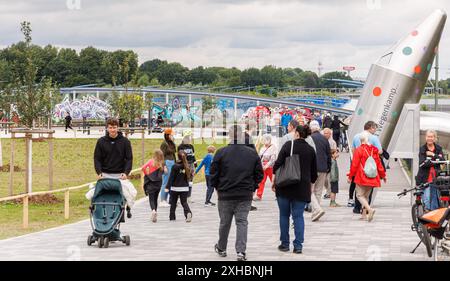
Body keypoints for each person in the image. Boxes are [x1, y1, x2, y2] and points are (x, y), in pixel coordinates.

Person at [210, 124, 264, 261]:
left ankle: (222, 248)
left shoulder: (221, 152)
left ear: (229, 135)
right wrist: (253, 187)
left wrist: (217, 188)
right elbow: (259, 174)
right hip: (245, 194)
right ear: (241, 136)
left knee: (224, 222)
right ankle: (241, 251)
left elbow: (213, 174)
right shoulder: (252, 153)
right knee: (242, 222)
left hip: (225, 193)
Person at [273, 125, 317, 254]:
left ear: (297, 133)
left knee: (284, 215)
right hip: (302, 188)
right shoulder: (310, 150)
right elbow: (314, 173)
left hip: (285, 186)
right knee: (298, 216)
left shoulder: (288, 145)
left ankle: (284, 244)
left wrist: (275, 179)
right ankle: (298, 245)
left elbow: (277, 164)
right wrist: (310, 183)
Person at [92, 117, 137, 218]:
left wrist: (126, 173)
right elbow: (97, 158)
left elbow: (129, 158)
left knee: (131, 193)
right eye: (110, 127)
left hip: (120, 176)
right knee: (93, 195)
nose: (112, 130)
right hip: (105, 175)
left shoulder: (125, 142)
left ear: (118, 128)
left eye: (114, 127)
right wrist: (99, 172)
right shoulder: (101, 141)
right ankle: (98, 215)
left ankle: (127, 208)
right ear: (107, 128)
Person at [347, 131, 386, 222]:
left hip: (362, 176)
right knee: (366, 196)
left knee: (359, 195)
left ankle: (370, 209)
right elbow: (379, 164)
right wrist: (383, 175)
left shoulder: (359, 150)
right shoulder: (374, 150)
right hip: (372, 177)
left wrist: (350, 176)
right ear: (368, 140)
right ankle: (364, 215)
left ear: (361, 141)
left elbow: (354, 165)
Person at [416, 130, 444, 211]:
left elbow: (442, 160)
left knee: (436, 201)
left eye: (431, 137)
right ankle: (426, 218)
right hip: (425, 179)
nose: (429, 138)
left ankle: (433, 219)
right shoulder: (422, 149)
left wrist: (432, 155)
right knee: (427, 200)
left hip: (436, 179)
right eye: (428, 136)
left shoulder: (438, 148)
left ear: (434, 138)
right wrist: (436, 161)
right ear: (425, 137)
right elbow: (422, 163)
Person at [309, 120, 331, 222]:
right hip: (323, 168)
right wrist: (328, 167)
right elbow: (328, 154)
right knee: (318, 191)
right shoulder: (324, 139)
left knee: (309, 190)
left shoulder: (309, 138)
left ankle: (317, 210)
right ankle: (315, 212)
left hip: (312, 168)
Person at [165, 150, 193, 222]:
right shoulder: (188, 165)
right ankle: (188, 213)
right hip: (185, 188)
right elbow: (190, 176)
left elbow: (171, 177)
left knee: (173, 203)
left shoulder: (175, 166)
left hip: (175, 188)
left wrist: (167, 187)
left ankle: (172, 217)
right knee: (184, 202)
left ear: (178, 156)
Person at [142, 149, 166, 223]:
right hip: (158, 184)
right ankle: (155, 213)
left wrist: (148, 174)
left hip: (150, 184)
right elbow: (165, 172)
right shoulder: (162, 164)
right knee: (155, 199)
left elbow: (143, 168)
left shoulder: (150, 162)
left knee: (151, 199)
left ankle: (153, 211)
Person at [255, 134, 277, 200]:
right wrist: (261, 165)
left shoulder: (273, 147)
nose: (264, 141)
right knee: (261, 181)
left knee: (273, 181)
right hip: (263, 166)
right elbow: (260, 157)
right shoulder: (262, 148)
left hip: (271, 167)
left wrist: (267, 165)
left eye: (265, 140)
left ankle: (278, 194)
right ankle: (259, 195)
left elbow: (273, 159)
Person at [322, 128, 341, 207]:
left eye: (327, 133)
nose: (326, 134)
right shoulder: (322, 141)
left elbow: (334, 152)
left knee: (332, 179)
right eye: (325, 133)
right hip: (323, 162)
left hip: (331, 163)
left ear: (330, 134)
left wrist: (334, 153)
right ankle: (328, 192)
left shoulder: (332, 142)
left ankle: (332, 199)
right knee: (325, 180)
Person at [178, 130, 196, 203]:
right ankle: (179, 197)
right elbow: (179, 156)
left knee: (190, 181)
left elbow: (193, 156)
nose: (189, 139)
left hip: (191, 164)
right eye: (188, 138)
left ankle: (189, 197)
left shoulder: (191, 146)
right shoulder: (180, 147)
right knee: (182, 180)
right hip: (183, 165)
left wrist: (195, 165)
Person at [160, 128, 177, 207]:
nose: (172, 136)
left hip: (172, 162)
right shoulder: (164, 144)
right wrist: (164, 166)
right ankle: (163, 200)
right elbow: (161, 156)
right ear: (167, 135)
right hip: (167, 163)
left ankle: (170, 199)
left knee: (171, 182)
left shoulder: (171, 143)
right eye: (171, 135)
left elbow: (174, 154)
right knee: (166, 182)